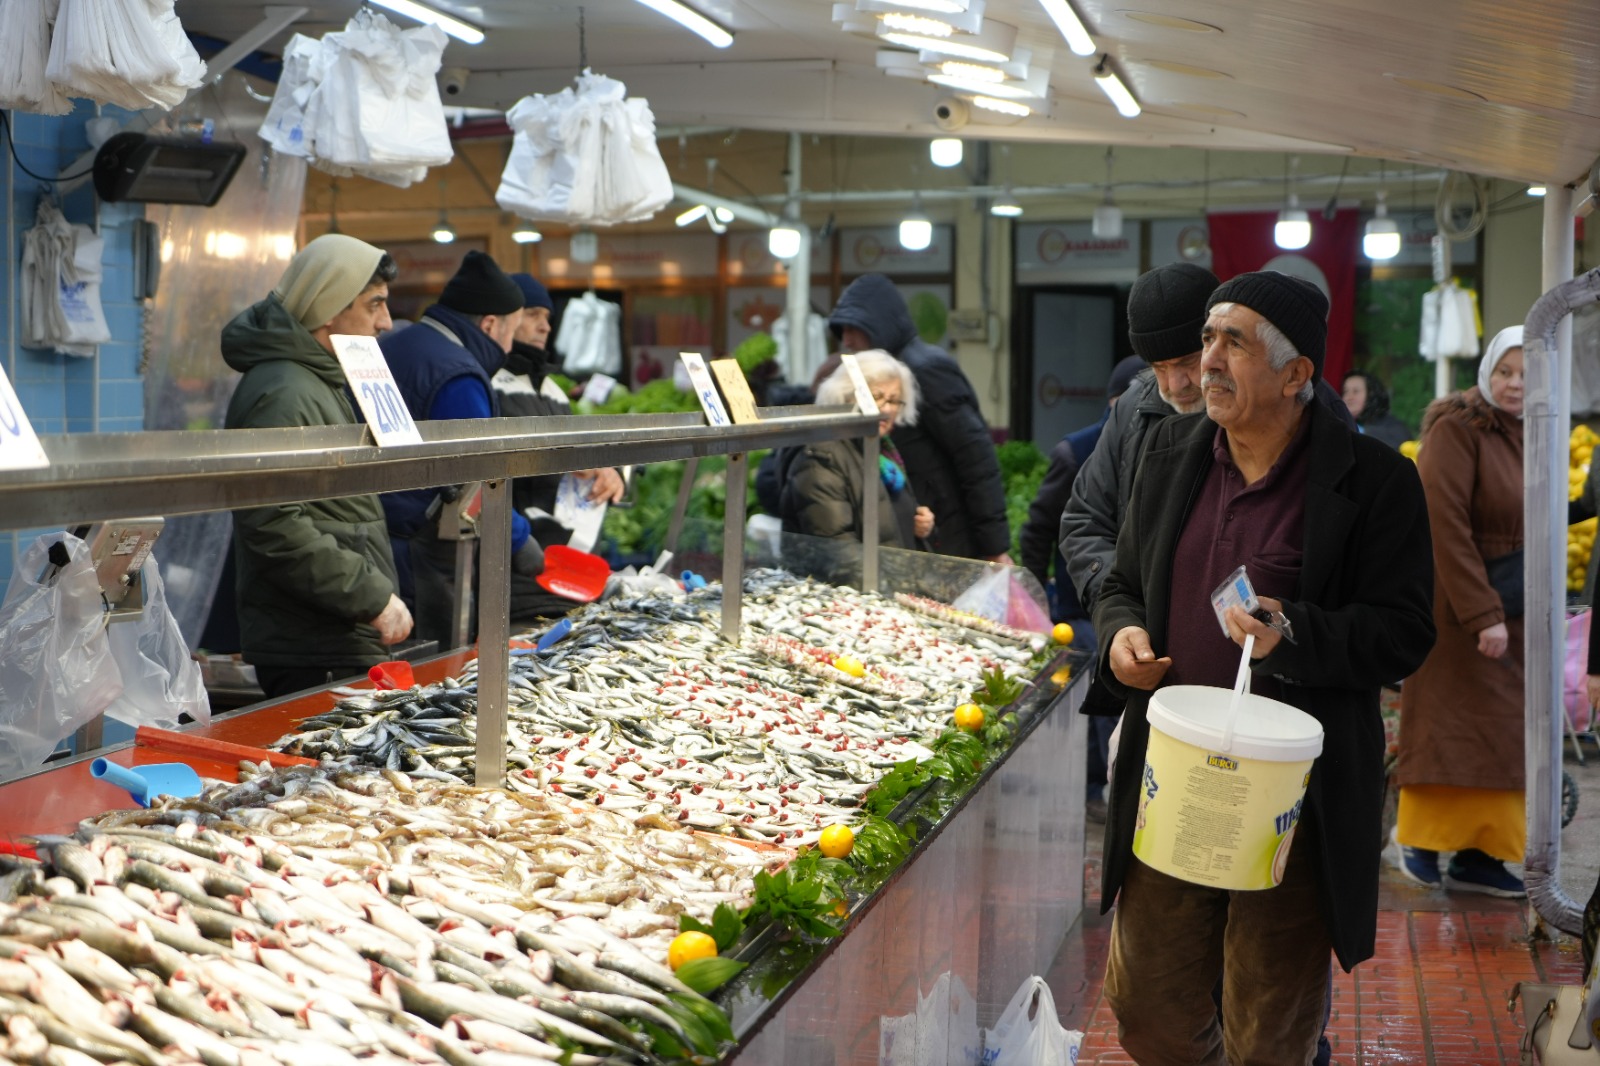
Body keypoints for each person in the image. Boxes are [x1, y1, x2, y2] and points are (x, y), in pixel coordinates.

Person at [1094, 271, 1435, 1065]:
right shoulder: (1167, 449)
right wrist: (1119, 637)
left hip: (1289, 802)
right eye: (1208, 338)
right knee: (1147, 1007)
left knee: (1269, 1030)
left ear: (1296, 374)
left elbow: (1406, 632)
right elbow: (1121, 583)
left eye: (1232, 341)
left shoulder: (1376, 482)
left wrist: (1298, 631)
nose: (1208, 359)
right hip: (1173, 782)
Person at [222, 234, 413, 698]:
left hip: (333, 633)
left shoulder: (318, 378)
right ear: (331, 309)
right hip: (312, 644)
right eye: (374, 306)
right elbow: (272, 523)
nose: (386, 322)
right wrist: (369, 596)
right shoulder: (284, 390)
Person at [1393, 325, 1527, 896]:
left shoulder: (1531, 431)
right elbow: (1442, 524)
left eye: (1527, 374)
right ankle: (1418, 839)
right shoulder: (1458, 429)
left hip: (1509, 604)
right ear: (1486, 373)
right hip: (1459, 609)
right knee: (1448, 726)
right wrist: (1480, 613)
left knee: (1499, 735)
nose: (1516, 385)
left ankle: (1481, 854)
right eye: (1505, 372)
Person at [378, 251, 543, 644]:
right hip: (417, 556)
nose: (508, 346)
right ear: (490, 324)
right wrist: (519, 538)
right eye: (511, 330)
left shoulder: (398, 343)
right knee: (426, 683)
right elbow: (477, 475)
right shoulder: (458, 375)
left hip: (377, 544)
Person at [1020, 354, 1142, 824]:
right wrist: (1036, 604)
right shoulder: (1078, 450)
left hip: (1130, 604)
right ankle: (1099, 788)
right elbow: (1039, 530)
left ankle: (1110, 787)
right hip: (1078, 605)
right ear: (1116, 401)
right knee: (1100, 700)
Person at [827, 273, 1010, 562]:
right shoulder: (872, 378)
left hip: (948, 540)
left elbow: (975, 457)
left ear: (880, 324)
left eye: (854, 327)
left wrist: (994, 547)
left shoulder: (925, 370)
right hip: (915, 536)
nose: (846, 340)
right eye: (842, 331)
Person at [493, 273, 625, 622]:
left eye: (548, 318)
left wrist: (610, 473)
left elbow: (582, 456)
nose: (545, 326)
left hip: (566, 573)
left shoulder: (553, 389)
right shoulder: (489, 381)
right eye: (533, 314)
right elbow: (491, 468)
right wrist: (563, 459)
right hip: (514, 570)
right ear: (504, 317)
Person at [778, 349, 934, 548]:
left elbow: (892, 519)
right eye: (876, 397)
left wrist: (920, 524)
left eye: (894, 400)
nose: (886, 409)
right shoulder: (821, 458)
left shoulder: (883, 451)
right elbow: (838, 551)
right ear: (844, 396)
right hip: (863, 579)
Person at [1341, 369, 1412, 449]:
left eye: (1356, 391)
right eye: (1345, 391)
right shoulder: (1344, 426)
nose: (1348, 397)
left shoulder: (1392, 429)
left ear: (1371, 394)